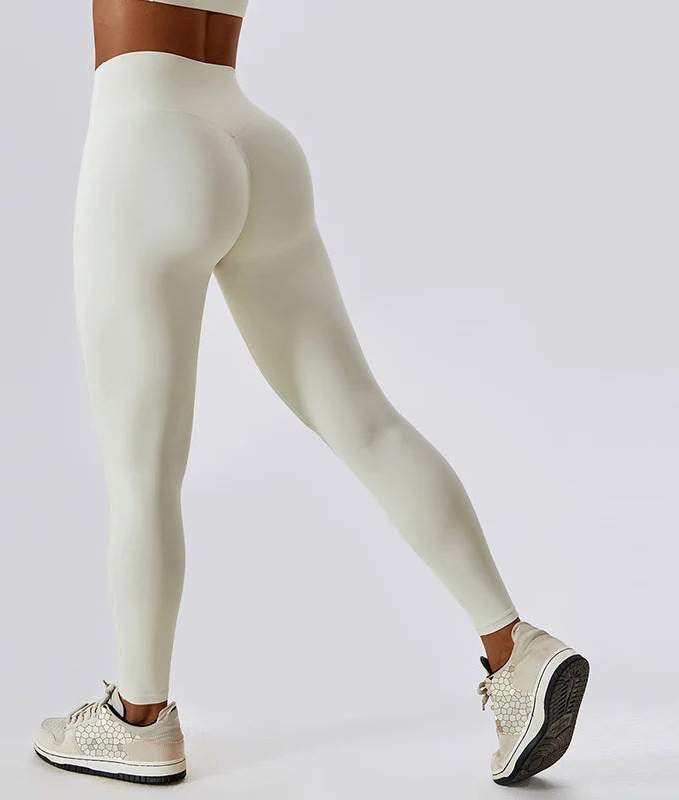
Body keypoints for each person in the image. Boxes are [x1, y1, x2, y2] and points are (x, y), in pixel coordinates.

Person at [33, 0, 589, 786]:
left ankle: (140, 720)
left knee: (142, 473)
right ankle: (515, 649)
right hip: (255, 144)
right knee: (366, 420)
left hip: (147, 134)